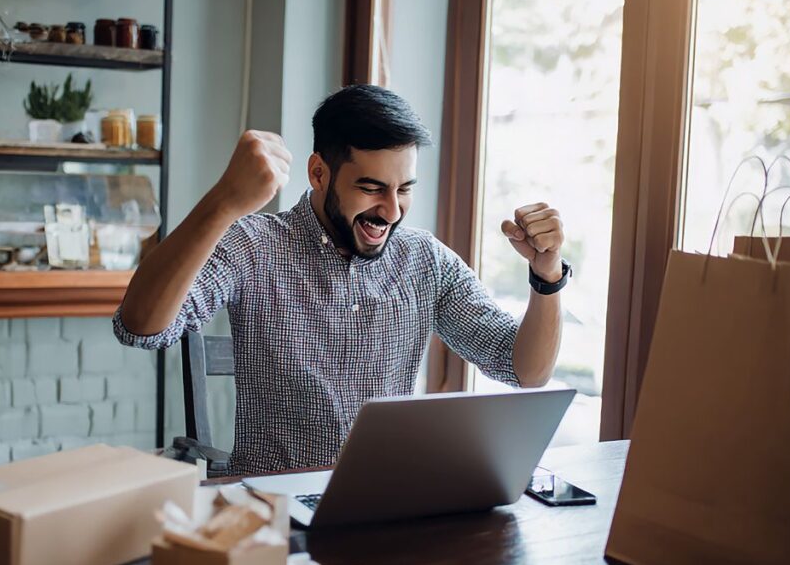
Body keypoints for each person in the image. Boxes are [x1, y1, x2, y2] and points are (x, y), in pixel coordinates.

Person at [115, 85, 568, 475]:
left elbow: (525, 371)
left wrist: (546, 276)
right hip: (278, 516)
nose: (391, 211)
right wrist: (224, 204)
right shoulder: (253, 245)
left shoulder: (425, 260)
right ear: (319, 173)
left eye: (404, 189)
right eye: (372, 188)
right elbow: (139, 328)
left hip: (387, 510)